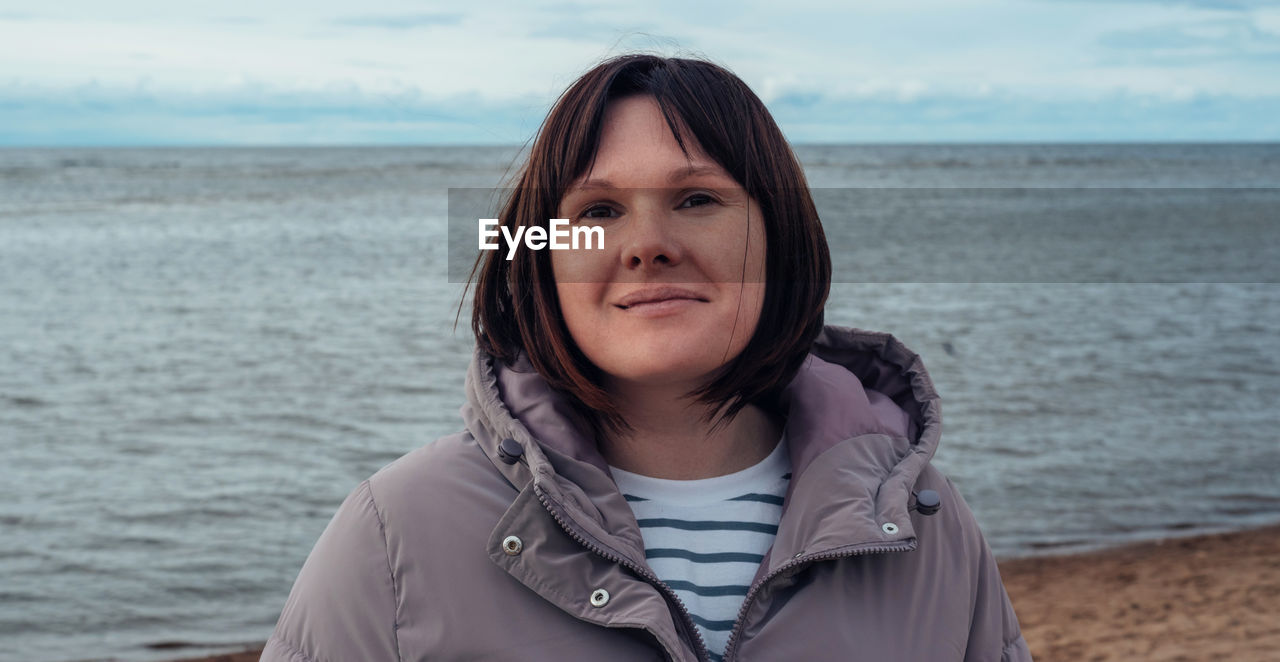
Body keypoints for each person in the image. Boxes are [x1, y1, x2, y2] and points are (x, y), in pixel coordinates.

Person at [261, 55, 1031, 661]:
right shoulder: (396, 531)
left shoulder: (922, 523)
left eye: (697, 200)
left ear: (781, 235)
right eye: (596, 212)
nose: (648, 245)